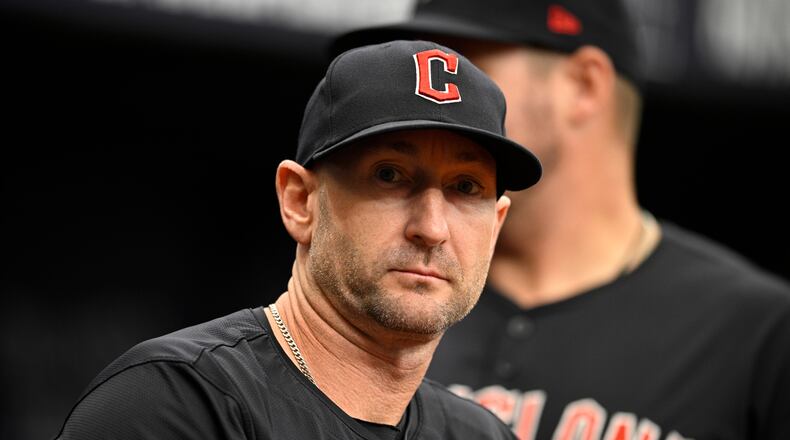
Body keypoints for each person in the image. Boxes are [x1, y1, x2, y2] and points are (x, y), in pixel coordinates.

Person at [332, 1, 790, 439]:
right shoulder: (377, 292)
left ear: (584, 86)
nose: (420, 100)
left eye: (462, 69)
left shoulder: (759, 333)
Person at [54, 39, 544, 440]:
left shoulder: (482, 435)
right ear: (300, 201)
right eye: (390, 175)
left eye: (465, 187)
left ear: (497, 223)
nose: (432, 228)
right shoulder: (172, 405)